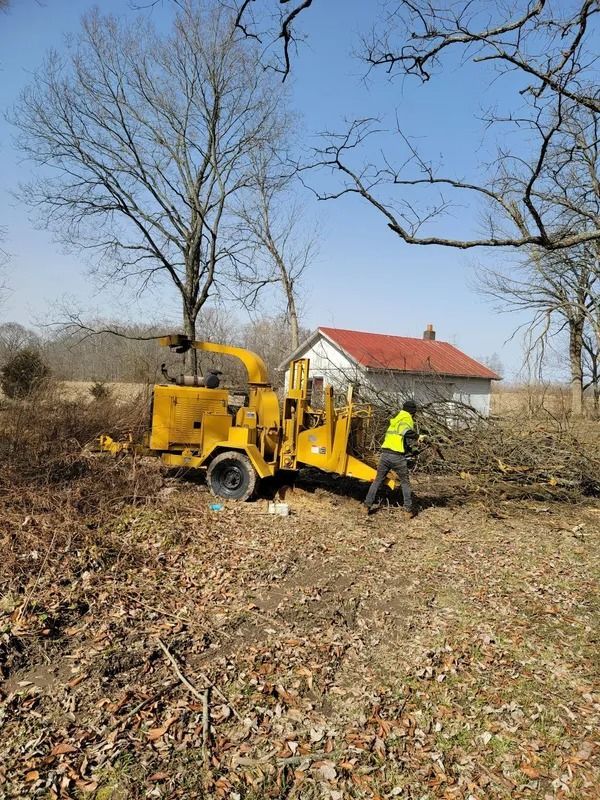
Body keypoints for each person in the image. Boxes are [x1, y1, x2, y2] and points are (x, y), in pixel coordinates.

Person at [364, 398, 420, 516]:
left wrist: (410, 449)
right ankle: (408, 510)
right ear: (412, 412)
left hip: (385, 455)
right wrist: (418, 437)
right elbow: (405, 432)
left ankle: (367, 505)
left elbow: (398, 438)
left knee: (377, 480)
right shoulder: (407, 418)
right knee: (405, 483)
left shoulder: (396, 419)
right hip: (397, 457)